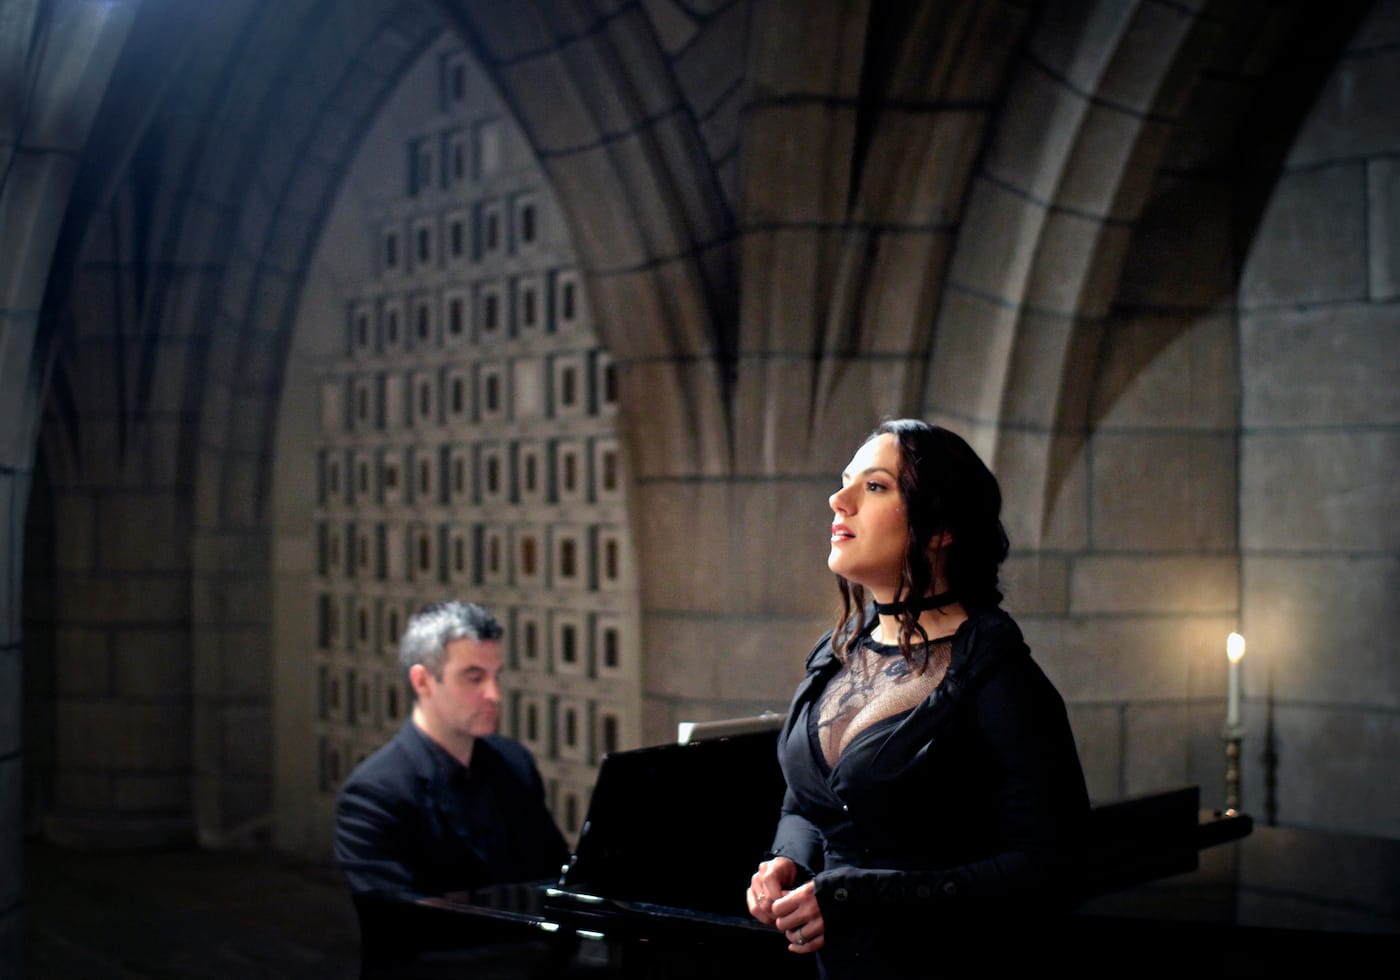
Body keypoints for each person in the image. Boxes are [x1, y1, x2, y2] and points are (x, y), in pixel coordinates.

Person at [746, 419, 1089, 978]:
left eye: (875, 487)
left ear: (940, 529)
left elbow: (1052, 866)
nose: (838, 499)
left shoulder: (998, 677)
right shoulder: (836, 655)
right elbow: (808, 803)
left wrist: (861, 896)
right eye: (845, 482)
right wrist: (785, 860)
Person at [335, 600, 569, 901]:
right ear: (423, 681)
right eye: (474, 678)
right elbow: (399, 926)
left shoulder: (514, 762)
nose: (494, 695)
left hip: (534, 944)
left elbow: (555, 876)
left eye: (496, 676)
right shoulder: (375, 793)